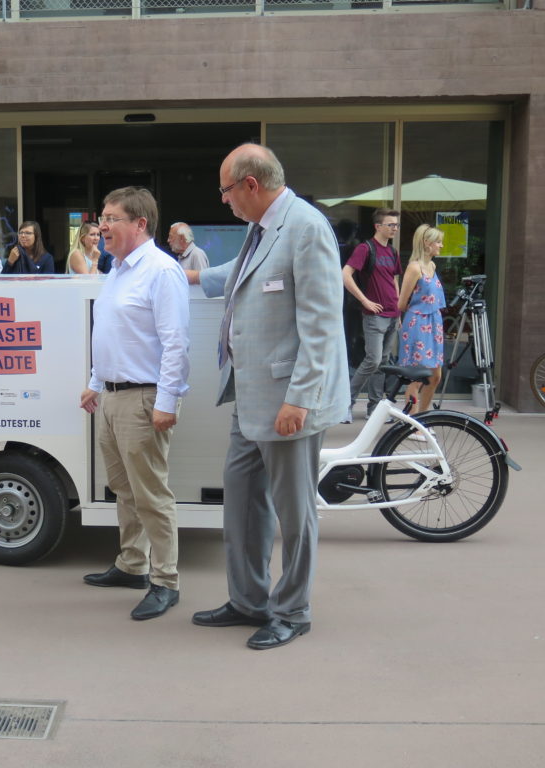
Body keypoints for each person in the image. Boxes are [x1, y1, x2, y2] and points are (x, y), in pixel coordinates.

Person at [187, 144, 347, 650]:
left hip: (287, 403)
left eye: (226, 190)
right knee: (242, 503)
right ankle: (249, 601)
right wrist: (183, 275)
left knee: (294, 511)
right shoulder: (264, 230)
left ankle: (292, 610)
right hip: (249, 393)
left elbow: (322, 324)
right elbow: (238, 272)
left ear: (250, 185)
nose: (224, 201)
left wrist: (300, 399)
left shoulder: (307, 228)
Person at [79, 187, 190, 621]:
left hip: (144, 401)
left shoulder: (161, 271)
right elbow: (109, 331)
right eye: (102, 218)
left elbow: (177, 343)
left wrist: (166, 403)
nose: (102, 226)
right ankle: (132, 564)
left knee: (151, 495)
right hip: (111, 396)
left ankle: (165, 581)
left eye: (111, 218)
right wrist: (95, 381)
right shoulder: (119, 269)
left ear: (139, 224)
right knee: (124, 489)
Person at [341, 207, 402, 423]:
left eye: (396, 225)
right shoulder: (366, 249)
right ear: (378, 226)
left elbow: (394, 280)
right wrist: (364, 300)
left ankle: (374, 408)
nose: (395, 228)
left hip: (392, 315)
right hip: (374, 316)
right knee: (373, 360)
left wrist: (399, 310)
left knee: (382, 362)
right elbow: (345, 275)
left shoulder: (393, 252)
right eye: (390, 225)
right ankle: (345, 403)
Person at [398, 224, 447, 417]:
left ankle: (423, 418)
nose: (441, 245)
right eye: (438, 241)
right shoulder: (414, 268)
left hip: (434, 323)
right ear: (427, 243)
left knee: (435, 376)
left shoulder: (432, 266)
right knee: (417, 378)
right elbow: (402, 303)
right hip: (418, 324)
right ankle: (412, 422)